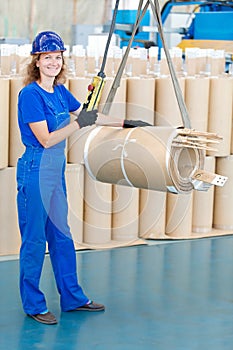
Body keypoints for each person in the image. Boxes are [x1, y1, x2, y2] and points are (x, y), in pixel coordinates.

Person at [17, 30, 151, 326]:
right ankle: (33, 304)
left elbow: (88, 114)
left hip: (55, 173)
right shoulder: (30, 95)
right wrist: (79, 123)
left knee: (62, 237)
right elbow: (47, 139)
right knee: (35, 240)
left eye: (57, 57)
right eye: (47, 57)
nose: (53, 62)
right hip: (35, 169)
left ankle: (73, 298)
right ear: (36, 62)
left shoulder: (60, 91)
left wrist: (125, 122)